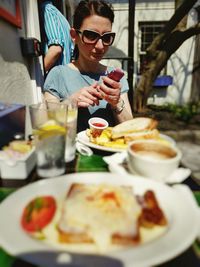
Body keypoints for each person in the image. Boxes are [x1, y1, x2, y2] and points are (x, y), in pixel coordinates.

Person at [43, 0, 133, 132]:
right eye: (91, 35)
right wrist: (71, 102)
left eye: (107, 37)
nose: (100, 46)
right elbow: (46, 125)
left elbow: (131, 129)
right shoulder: (58, 74)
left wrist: (116, 102)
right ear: (74, 36)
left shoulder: (115, 79)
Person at [39, 0, 74, 73]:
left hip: (57, 80)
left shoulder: (47, 10)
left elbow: (56, 49)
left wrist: (40, 74)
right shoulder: (60, 16)